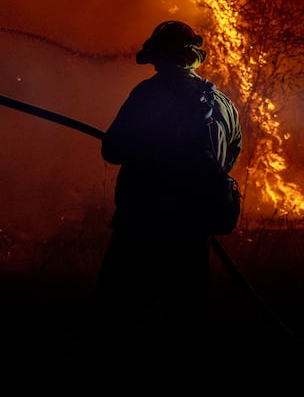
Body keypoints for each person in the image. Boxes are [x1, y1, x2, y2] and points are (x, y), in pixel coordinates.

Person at [93, 20, 242, 346]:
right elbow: (227, 162)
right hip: (194, 237)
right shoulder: (225, 104)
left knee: (115, 323)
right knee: (185, 327)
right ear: (193, 57)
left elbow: (112, 149)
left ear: (160, 57)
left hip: (142, 230)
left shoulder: (149, 93)